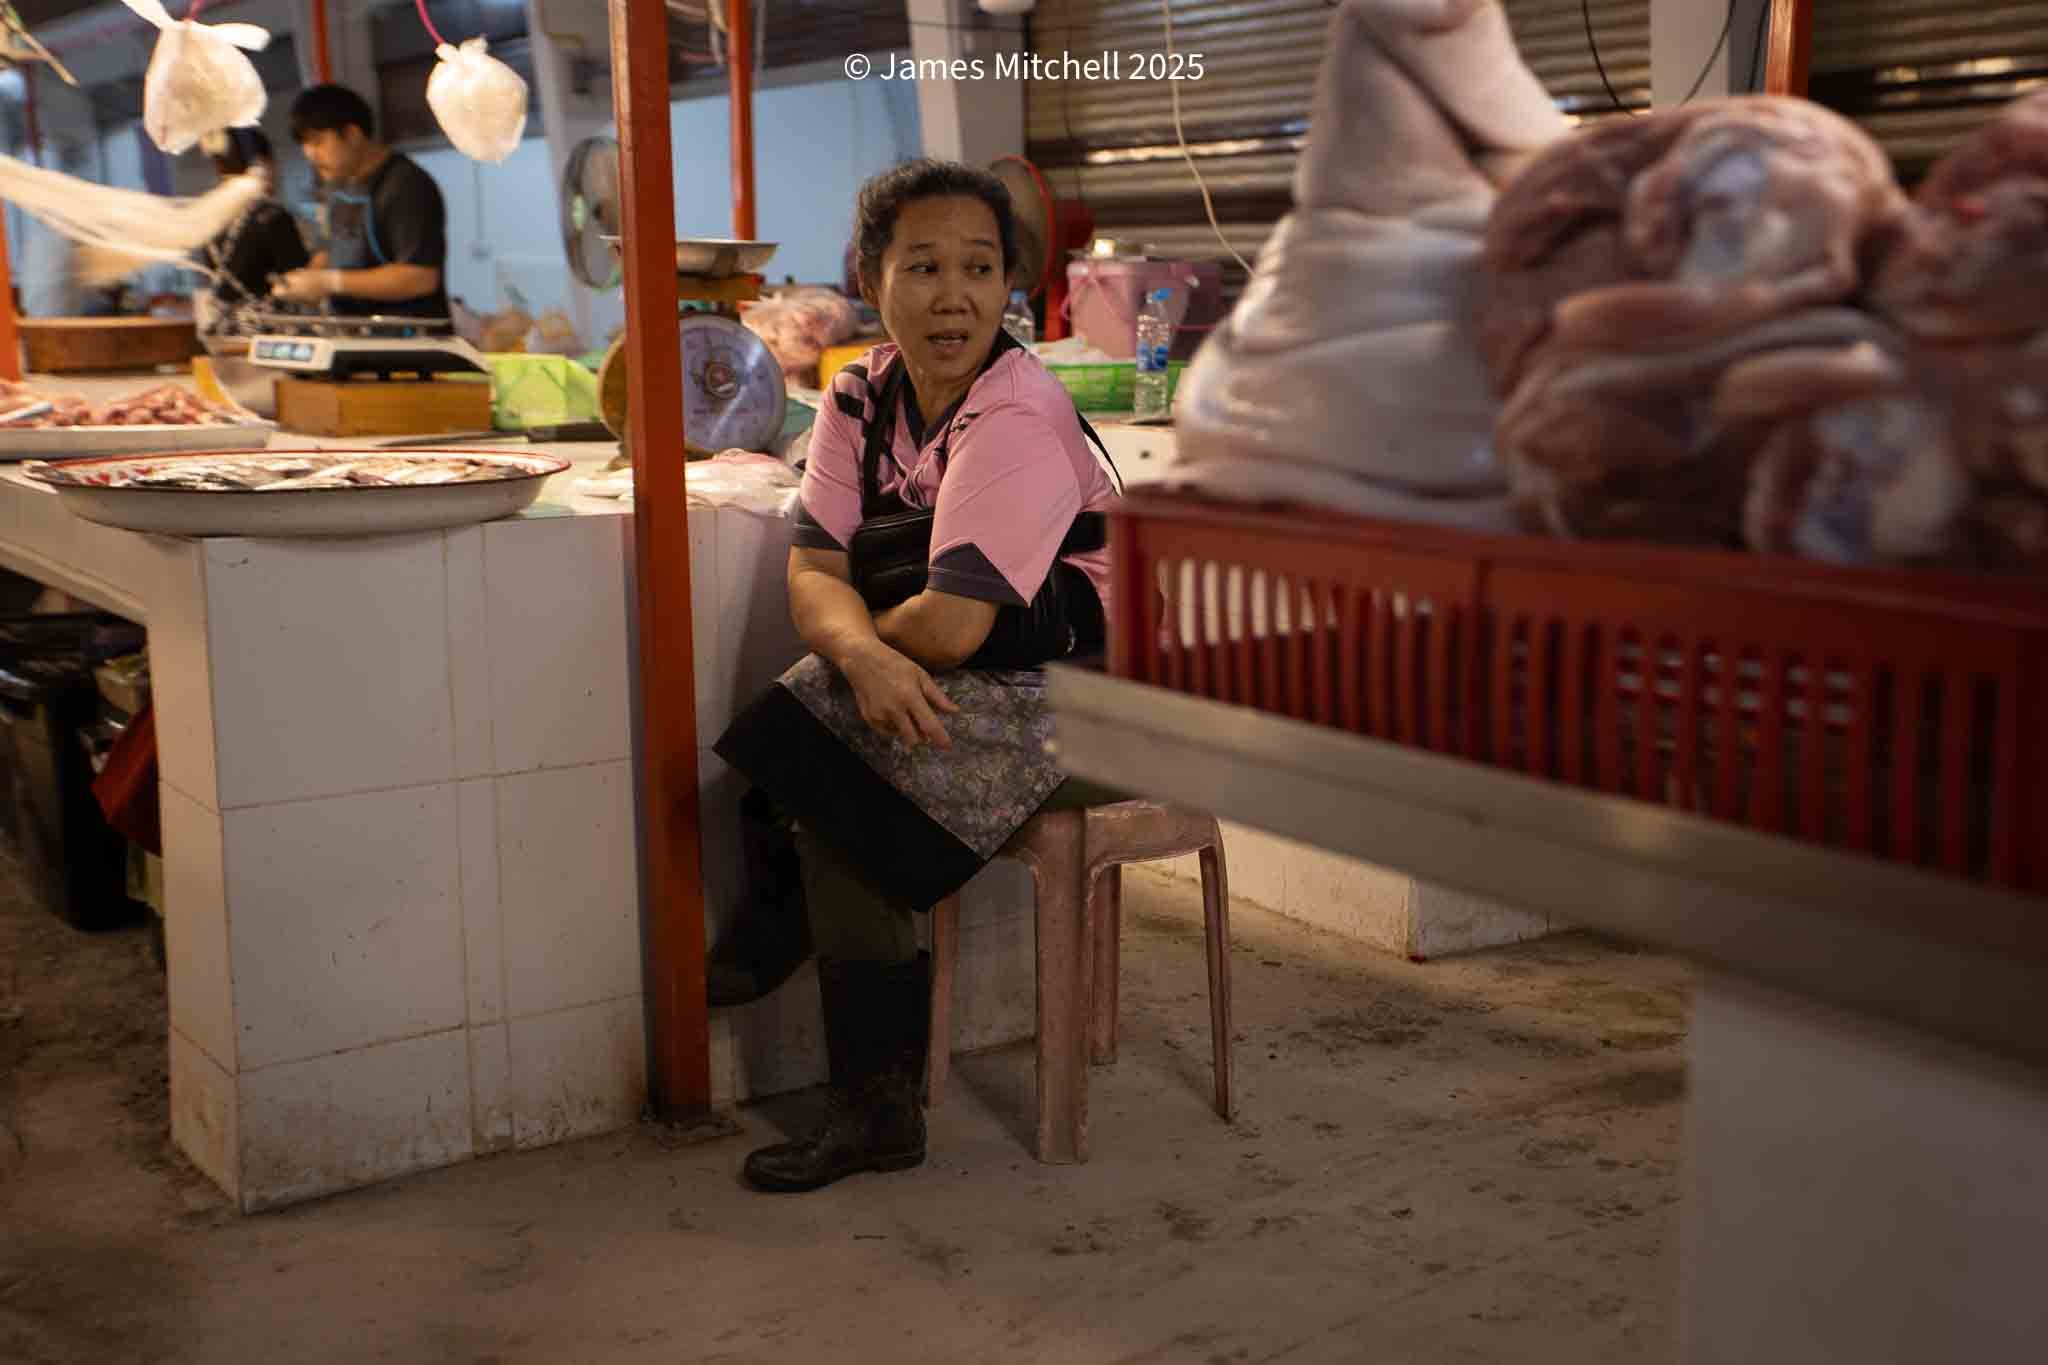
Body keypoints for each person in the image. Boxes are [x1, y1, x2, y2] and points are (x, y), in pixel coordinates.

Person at [713, 159, 1123, 1195]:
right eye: (924, 266)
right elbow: (814, 573)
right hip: (978, 675)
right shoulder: (857, 394)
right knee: (839, 725)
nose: (954, 296)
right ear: (869, 275)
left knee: (842, 756)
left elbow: (948, 623)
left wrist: (861, 653)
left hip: (1089, 696)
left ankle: (848, 1068)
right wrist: (855, 654)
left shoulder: (1014, 412)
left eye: (979, 269)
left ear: (1007, 286)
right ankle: (872, 1103)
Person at [272, 84, 449, 318]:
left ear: (353, 135)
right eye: (304, 144)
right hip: (357, 335)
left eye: (317, 142)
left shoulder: (406, 185)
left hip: (407, 342)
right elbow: (329, 250)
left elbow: (420, 278)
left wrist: (329, 282)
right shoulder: (339, 186)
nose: (309, 154)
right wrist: (303, 282)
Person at [193, 128, 310, 339]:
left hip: (225, 333)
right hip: (269, 335)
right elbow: (300, 284)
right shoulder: (273, 216)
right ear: (262, 163)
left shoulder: (210, 218)